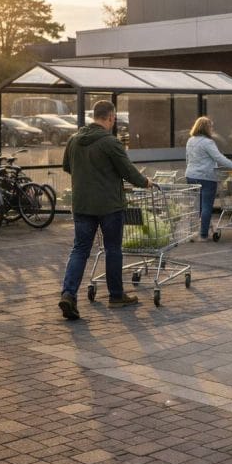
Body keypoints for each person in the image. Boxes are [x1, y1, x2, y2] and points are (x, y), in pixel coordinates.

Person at [57, 101, 151, 320]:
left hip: (82, 205)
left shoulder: (74, 140)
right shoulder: (110, 142)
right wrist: (145, 182)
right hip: (109, 205)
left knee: (80, 249)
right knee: (112, 248)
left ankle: (68, 294)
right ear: (110, 118)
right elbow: (128, 172)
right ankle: (116, 296)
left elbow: (66, 167)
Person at [185, 116, 232, 241]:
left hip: (191, 176)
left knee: (196, 206)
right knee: (206, 206)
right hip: (206, 177)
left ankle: (192, 233)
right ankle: (204, 234)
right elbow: (218, 157)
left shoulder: (190, 141)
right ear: (206, 128)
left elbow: (188, 159)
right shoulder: (208, 142)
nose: (212, 129)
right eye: (211, 126)